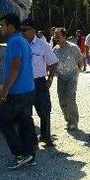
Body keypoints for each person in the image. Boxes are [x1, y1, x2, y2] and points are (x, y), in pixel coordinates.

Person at [0, 13, 37, 169]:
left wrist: (5, 89)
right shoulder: (24, 41)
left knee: (2, 121)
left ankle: (20, 154)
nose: (1, 29)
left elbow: (15, 67)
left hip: (17, 92)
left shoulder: (13, 42)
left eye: (2, 25)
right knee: (25, 122)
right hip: (28, 90)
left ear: (10, 26)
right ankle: (30, 155)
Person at [21, 18, 58, 147]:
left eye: (25, 29)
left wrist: (50, 79)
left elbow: (53, 62)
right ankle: (31, 140)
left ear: (33, 31)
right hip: (23, 83)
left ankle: (45, 137)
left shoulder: (43, 46)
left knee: (45, 110)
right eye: (22, 29)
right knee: (25, 113)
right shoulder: (19, 44)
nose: (23, 32)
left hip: (39, 82)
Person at [53, 28, 84, 130]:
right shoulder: (55, 49)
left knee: (70, 98)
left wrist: (77, 73)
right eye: (55, 36)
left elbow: (80, 61)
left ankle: (74, 121)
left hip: (72, 76)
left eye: (58, 36)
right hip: (61, 77)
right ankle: (68, 120)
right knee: (62, 100)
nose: (56, 38)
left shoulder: (73, 47)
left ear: (65, 37)